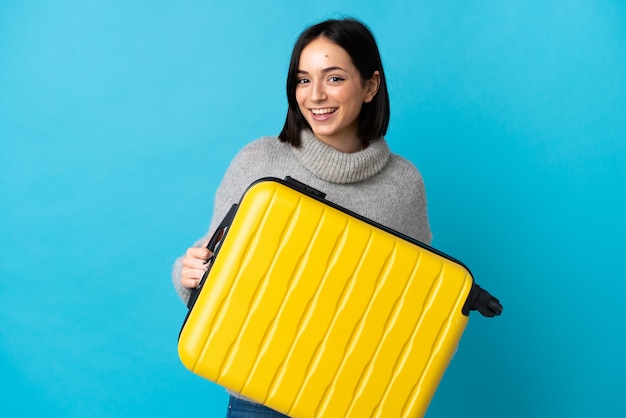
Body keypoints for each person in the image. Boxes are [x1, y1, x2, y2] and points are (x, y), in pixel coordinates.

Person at [172, 17, 432, 417]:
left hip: (354, 403)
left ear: (370, 86)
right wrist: (189, 273)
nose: (315, 95)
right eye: (303, 80)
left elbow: (414, 309)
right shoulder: (259, 160)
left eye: (333, 78)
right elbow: (211, 271)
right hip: (259, 399)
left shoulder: (403, 185)